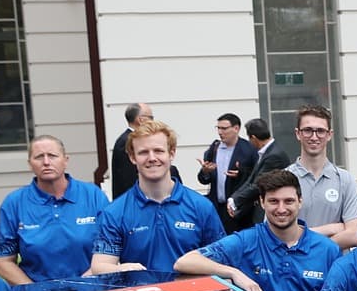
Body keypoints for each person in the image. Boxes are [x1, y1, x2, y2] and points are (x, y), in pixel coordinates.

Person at [175, 168, 343, 291]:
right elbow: (184, 262)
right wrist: (233, 273)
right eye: (273, 201)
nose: (281, 208)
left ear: (300, 201)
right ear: (262, 202)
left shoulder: (327, 250)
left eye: (289, 201)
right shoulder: (246, 241)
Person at [87, 118, 225, 274]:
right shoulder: (115, 212)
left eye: (158, 151)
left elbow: (222, 260)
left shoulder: (201, 206)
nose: (152, 158)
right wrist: (124, 269)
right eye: (143, 152)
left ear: (171, 153)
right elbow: (100, 266)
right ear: (133, 158)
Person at [0, 135, 110, 284]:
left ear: (65, 160)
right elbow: (3, 261)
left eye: (52, 156)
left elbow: (110, 249)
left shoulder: (93, 196)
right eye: (39, 157)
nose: (46, 162)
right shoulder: (14, 203)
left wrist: (81, 285)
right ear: (30, 164)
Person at [274, 104, 357, 248]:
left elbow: (354, 235)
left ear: (329, 135)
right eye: (308, 130)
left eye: (320, 131)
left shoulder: (345, 180)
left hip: (335, 268)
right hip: (293, 267)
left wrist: (304, 244)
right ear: (298, 133)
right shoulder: (282, 179)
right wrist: (331, 229)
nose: (314, 137)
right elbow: (275, 233)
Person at [225, 118, 291, 230]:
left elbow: (259, 184)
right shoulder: (267, 152)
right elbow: (252, 179)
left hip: (270, 210)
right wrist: (233, 198)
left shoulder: (274, 155)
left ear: (254, 138)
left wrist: (236, 200)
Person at [197, 112, 258, 231]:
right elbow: (203, 180)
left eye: (224, 128)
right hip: (217, 207)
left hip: (239, 210)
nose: (220, 132)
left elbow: (256, 178)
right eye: (218, 128)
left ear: (236, 128)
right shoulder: (214, 148)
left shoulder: (248, 149)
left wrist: (241, 174)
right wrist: (205, 171)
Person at [97, 101, 149, 195]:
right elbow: (128, 178)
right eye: (151, 118)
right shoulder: (127, 141)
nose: (152, 121)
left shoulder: (131, 139)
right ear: (141, 120)